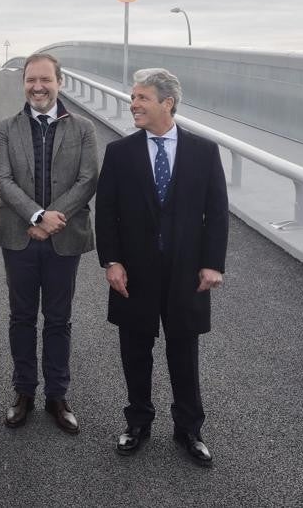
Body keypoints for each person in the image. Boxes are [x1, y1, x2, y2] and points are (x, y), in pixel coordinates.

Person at [95, 67, 228, 466]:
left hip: (186, 273)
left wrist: (212, 264)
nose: (133, 104)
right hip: (134, 272)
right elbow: (107, 213)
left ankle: (189, 429)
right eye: (133, 98)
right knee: (135, 350)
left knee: (183, 352)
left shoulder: (204, 152)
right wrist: (112, 261)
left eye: (142, 98)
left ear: (167, 103)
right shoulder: (120, 152)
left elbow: (216, 214)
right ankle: (137, 422)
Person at [0, 52, 98, 432]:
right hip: (19, 237)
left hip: (63, 238)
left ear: (59, 82)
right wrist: (36, 216)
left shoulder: (82, 129)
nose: (38, 87)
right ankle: (23, 392)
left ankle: (57, 394)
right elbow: (2, 179)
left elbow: (87, 181)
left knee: (58, 319)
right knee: (20, 317)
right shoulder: (6, 128)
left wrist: (52, 220)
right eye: (31, 80)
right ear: (23, 83)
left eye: (45, 80)